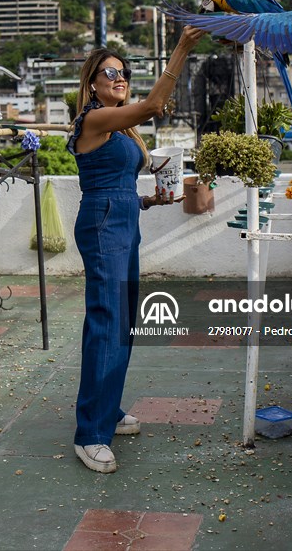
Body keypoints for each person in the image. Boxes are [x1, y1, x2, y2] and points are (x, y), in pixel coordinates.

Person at [67, 25, 206, 473]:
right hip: (104, 221)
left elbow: (121, 181)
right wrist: (182, 48)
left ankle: (107, 408)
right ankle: (90, 433)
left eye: (124, 72)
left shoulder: (123, 130)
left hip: (124, 217)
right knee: (107, 322)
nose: (120, 78)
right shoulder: (92, 119)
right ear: (92, 82)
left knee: (124, 322)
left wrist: (149, 199)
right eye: (110, 72)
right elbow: (154, 106)